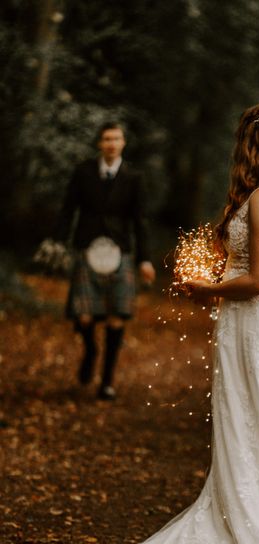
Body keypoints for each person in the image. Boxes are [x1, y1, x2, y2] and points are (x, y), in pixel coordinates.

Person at [32, 104, 259, 544]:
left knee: (249, 421)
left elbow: (257, 280)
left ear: (251, 144)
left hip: (255, 323)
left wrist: (207, 289)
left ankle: (253, 530)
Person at [54, 122, 155, 399]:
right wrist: (59, 242)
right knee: (84, 316)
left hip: (120, 250)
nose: (111, 143)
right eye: (106, 138)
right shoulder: (83, 172)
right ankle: (91, 350)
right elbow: (68, 209)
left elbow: (140, 221)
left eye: (116, 138)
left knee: (116, 318)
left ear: (123, 143)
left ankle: (107, 381)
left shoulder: (133, 177)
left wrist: (144, 259)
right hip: (87, 249)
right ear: (100, 143)